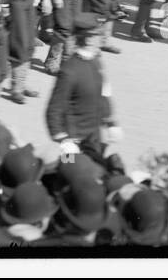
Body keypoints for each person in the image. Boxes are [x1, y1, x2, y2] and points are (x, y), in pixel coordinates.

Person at [44, 13, 116, 168]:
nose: (102, 38)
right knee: (67, 178)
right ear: (89, 39)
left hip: (94, 139)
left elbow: (103, 96)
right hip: (74, 142)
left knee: (95, 178)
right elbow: (54, 109)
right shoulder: (70, 71)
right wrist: (63, 140)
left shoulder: (96, 62)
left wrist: (111, 123)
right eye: (99, 34)